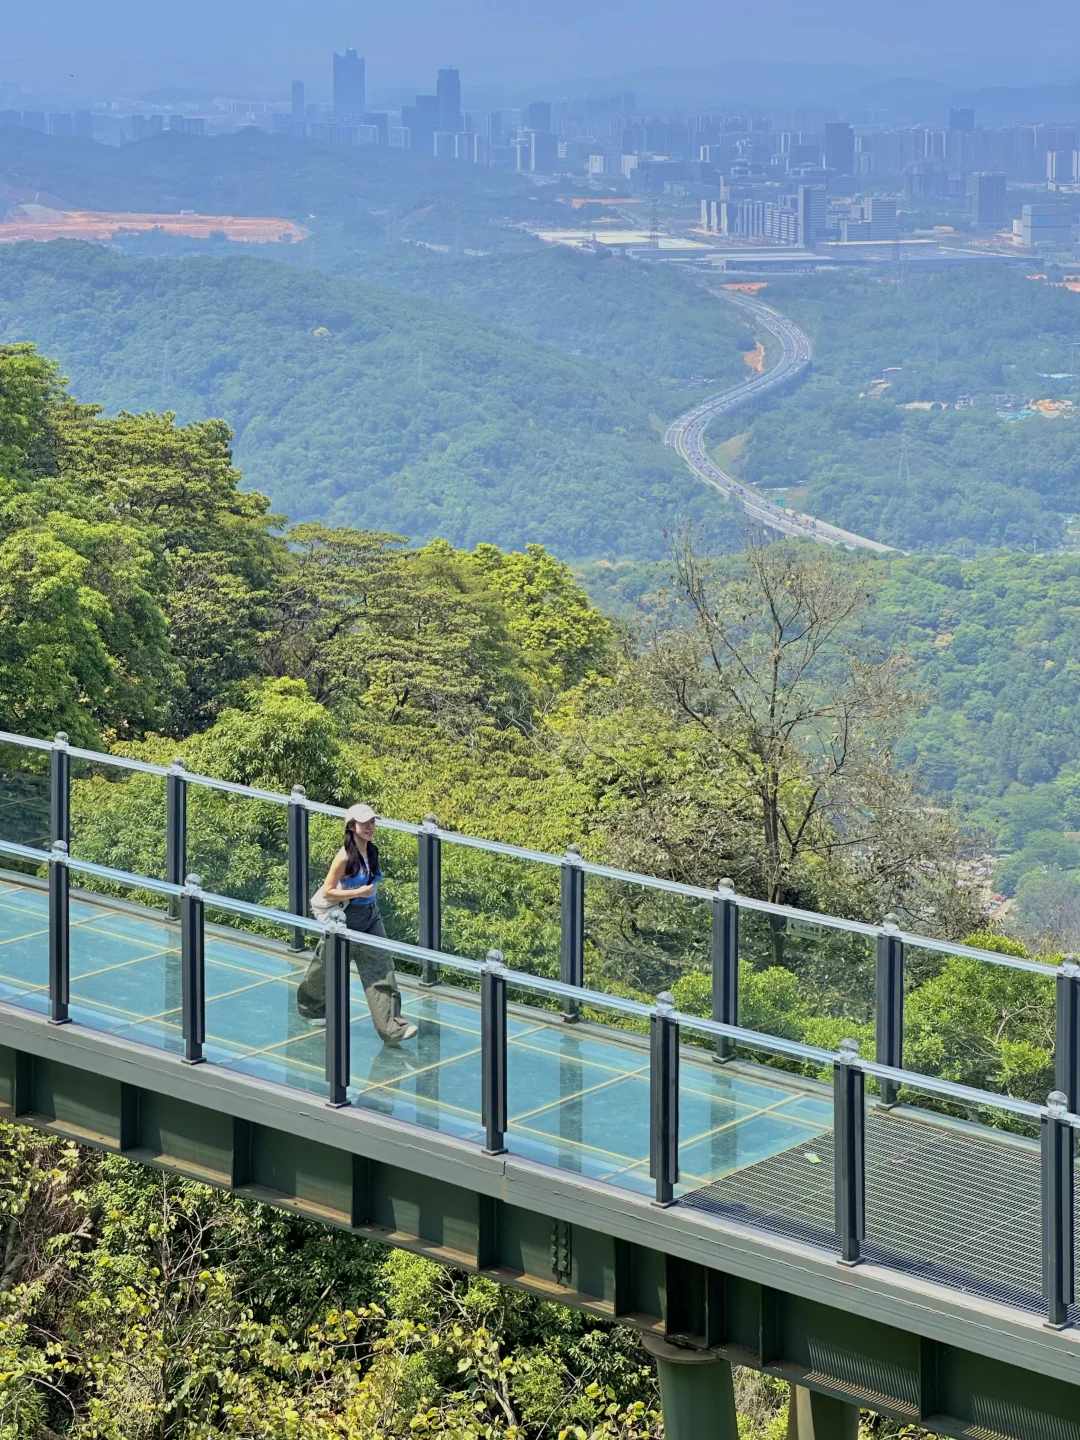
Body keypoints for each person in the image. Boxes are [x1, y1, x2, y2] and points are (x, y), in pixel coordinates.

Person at [295, 803, 418, 1044]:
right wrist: (358, 893)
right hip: (345, 919)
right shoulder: (344, 857)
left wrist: (365, 896)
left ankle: (392, 1028)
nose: (370, 827)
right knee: (326, 968)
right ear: (352, 827)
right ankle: (313, 1007)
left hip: (371, 917)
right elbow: (328, 892)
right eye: (364, 823)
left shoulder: (372, 851)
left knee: (381, 968)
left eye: (372, 822)